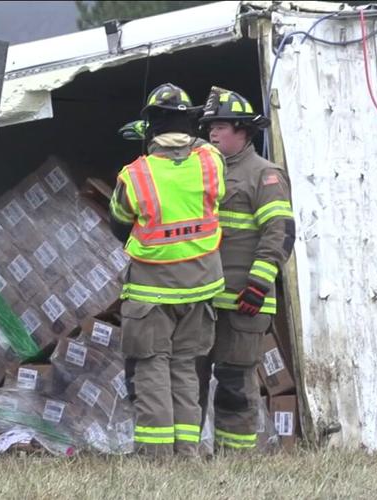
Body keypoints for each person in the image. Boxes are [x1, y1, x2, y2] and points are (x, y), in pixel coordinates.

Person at [109, 83, 226, 457]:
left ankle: (158, 458)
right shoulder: (211, 163)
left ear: (150, 128)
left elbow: (119, 222)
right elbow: (209, 162)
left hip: (151, 292)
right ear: (191, 124)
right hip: (201, 288)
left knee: (151, 367)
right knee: (185, 369)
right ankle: (187, 452)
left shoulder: (135, 176)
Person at [197, 87, 295, 453]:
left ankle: (236, 459)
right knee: (191, 380)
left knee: (234, 383)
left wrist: (258, 283)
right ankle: (189, 458)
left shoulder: (264, 175)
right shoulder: (202, 172)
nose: (212, 133)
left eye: (220, 125)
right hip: (203, 299)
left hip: (244, 300)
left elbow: (280, 232)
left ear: (243, 130)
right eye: (209, 126)